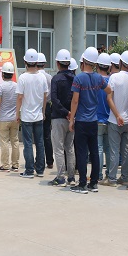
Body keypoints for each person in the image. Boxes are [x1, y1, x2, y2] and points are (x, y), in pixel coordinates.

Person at [68, 47, 112, 194]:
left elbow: (75, 101)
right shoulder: (98, 78)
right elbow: (109, 90)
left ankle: (82, 184)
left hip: (81, 121)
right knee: (94, 152)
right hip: (94, 120)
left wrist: (71, 119)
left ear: (84, 61)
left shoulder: (79, 78)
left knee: (81, 153)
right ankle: (93, 183)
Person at [16, 48, 49, 179]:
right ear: (37, 62)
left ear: (25, 62)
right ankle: (40, 169)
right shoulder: (42, 77)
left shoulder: (22, 77)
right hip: (38, 115)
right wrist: (43, 111)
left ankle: (29, 170)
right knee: (40, 142)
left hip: (26, 116)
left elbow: (19, 97)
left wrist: (17, 113)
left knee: (28, 143)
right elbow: (45, 96)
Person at [104, 50, 128, 186]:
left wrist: (117, 115)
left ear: (121, 62)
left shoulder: (114, 77)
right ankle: (124, 177)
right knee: (126, 151)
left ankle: (112, 178)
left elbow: (109, 98)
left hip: (114, 120)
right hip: (127, 120)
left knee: (114, 150)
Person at [49, 49, 76, 187]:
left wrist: (65, 112)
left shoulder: (56, 79)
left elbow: (54, 99)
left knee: (58, 148)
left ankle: (60, 178)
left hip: (59, 117)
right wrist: (71, 113)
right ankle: (71, 177)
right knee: (69, 148)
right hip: (72, 118)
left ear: (58, 63)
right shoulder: (75, 79)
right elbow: (76, 99)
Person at [0, 62, 20, 172]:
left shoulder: (1, 86)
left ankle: (5, 165)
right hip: (14, 118)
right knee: (15, 141)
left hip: (4, 119)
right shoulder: (16, 86)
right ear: (12, 74)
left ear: (3, 74)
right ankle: (15, 165)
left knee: (4, 142)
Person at [96, 52, 112, 181]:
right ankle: (109, 174)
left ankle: (99, 175)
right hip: (110, 119)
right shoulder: (111, 80)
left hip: (97, 119)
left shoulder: (95, 80)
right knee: (108, 149)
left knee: (99, 148)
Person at [37, 52, 54, 169]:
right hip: (47, 106)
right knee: (47, 134)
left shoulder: (34, 76)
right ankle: (49, 161)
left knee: (38, 135)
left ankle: (39, 161)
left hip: (36, 106)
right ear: (44, 64)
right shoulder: (49, 77)